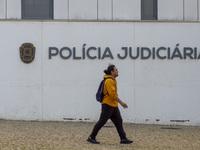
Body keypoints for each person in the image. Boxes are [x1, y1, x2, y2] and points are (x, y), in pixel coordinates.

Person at [87, 64, 133, 144]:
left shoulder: (113, 80)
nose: (117, 71)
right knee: (102, 121)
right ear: (112, 72)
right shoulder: (109, 81)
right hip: (108, 105)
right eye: (116, 70)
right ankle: (91, 137)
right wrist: (121, 103)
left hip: (113, 105)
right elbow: (112, 95)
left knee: (118, 121)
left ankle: (123, 138)